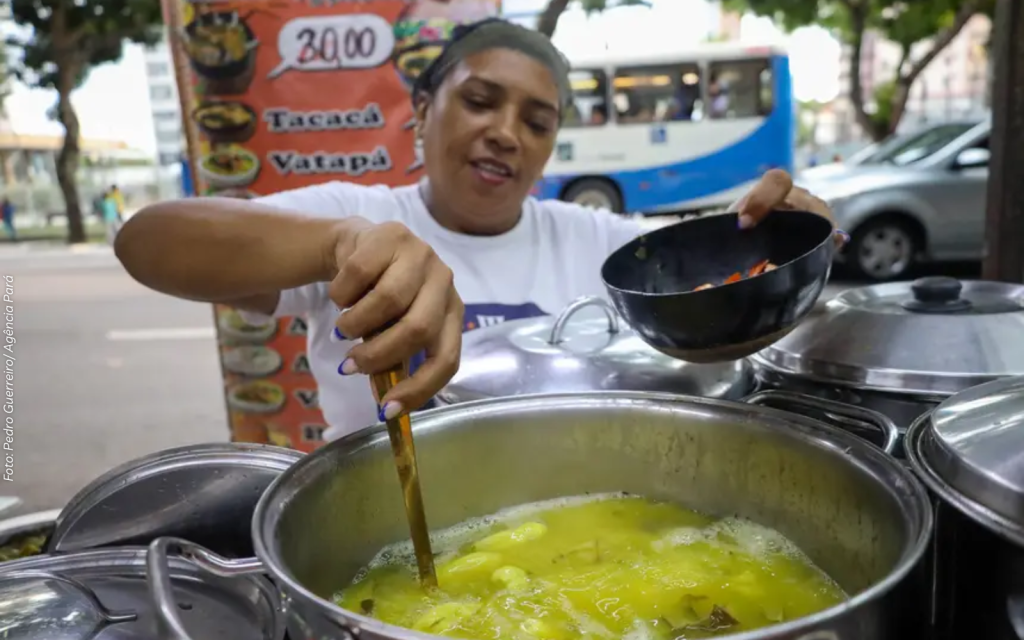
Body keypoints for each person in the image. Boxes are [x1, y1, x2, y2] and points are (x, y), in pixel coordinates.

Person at [116, 19, 842, 443]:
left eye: (537, 121)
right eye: (480, 102)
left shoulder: (595, 241)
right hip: (383, 525)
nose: (506, 133)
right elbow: (147, 241)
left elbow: (722, 287)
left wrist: (781, 238)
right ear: (422, 112)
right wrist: (335, 244)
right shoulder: (356, 212)